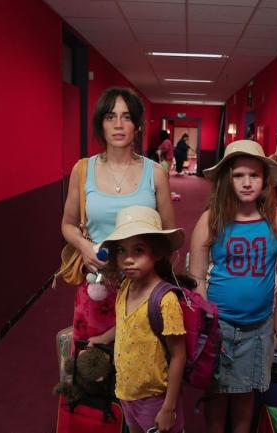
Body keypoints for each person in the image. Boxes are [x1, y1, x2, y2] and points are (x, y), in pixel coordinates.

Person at [188, 140, 277, 433]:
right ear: (227, 179)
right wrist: (208, 321)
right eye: (238, 176)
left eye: (254, 175)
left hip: (259, 326)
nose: (247, 183)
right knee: (217, 394)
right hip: (220, 325)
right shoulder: (211, 219)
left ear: (265, 179)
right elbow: (196, 277)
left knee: (246, 394)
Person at [61, 86, 176, 343]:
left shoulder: (155, 173)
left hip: (143, 287)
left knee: (140, 360)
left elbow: (169, 235)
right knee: (93, 359)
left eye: (127, 117)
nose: (118, 124)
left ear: (137, 125)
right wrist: (83, 246)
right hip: (98, 285)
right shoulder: (82, 170)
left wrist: (143, 261)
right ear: (100, 124)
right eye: (110, 117)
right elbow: (67, 224)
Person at [98, 205, 187, 433]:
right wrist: (103, 338)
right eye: (121, 251)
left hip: (155, 399)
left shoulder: (165, 300)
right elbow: (128, 324)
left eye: (138, 250)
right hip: (126, 393)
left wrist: (168, 407)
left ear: (156, 252)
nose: (128, 259)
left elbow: (179, 355)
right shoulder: (124, 288)